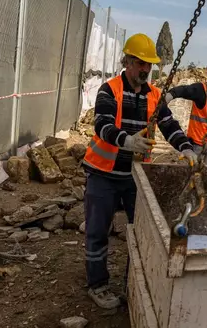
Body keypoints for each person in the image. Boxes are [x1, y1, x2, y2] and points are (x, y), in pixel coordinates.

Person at [81, 33, 197, 309]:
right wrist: (128, 141)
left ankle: (131, 282)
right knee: (98, 232)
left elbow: (170, 126)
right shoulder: (109, 90)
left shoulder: (155, 95)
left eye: (149, 65)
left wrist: (186, 147)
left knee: (141, 233)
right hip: (103, 173)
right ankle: (97, 285)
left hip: (135, 176)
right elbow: (103, 125)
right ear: (128, 62)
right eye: (140, 63)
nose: (145, 69)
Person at [164, 58, 207, 165]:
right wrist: (169, 95)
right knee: (197, 179)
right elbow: (184, 90)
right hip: (201, 148)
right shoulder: (202, 90)